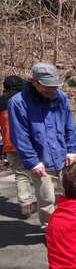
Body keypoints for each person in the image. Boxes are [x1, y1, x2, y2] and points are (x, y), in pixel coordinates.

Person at [8, 62, 76, 229]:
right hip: (41, 160)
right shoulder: (18, 103)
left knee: (68, 195)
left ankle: (66, 227)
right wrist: (33, 161)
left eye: (54, 86)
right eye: (47, 86)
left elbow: (69, 125)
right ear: (34, 82)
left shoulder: (60, 97)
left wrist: (71, 149)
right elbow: (20, 136)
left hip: (63, 155)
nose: (51, 90)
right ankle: (50, 229)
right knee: (47, 199)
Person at [0, 75, 36, 218]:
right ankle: (47, 201)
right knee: (39, 171)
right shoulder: (25, 98)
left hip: (9, 144)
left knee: (21, 174)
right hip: (28, 142)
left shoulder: (1, 101)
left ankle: (26, 204)